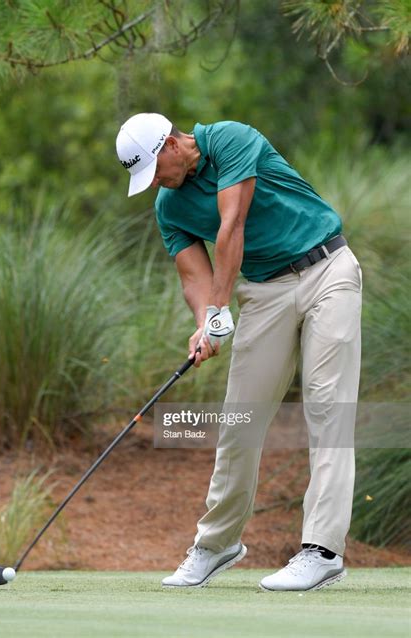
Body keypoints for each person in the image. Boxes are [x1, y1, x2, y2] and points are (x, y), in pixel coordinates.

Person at [115, 113, 362, 591]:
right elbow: (193, 276)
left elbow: (233, 223)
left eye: (154, 170)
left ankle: (321, 550)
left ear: (169, 144)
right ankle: (216, 543)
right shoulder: (169, 207)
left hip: (328, 269)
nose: (155, 184)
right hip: (265, 291)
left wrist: (219, 307)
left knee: (329, 408)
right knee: (240, 421)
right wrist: (205, 324)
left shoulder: (230, 139)